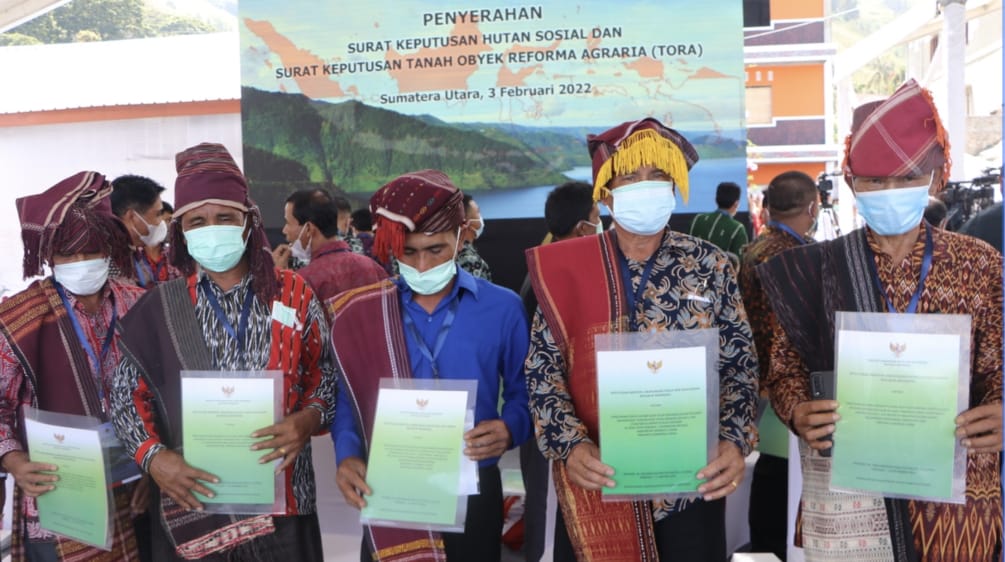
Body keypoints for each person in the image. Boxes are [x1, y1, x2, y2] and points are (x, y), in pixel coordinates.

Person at [758, 79, 1002, 561]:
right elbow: (783, 368)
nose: (889, 190)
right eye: (874, 180)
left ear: (934, 179)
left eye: (905, 177)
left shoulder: (981, 263)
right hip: (850, 500)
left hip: (956, 502)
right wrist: (797, 411)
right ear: (851, 183)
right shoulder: (812, 269)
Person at [524, 118, 758, 561]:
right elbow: (542, 370)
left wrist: (733, 438)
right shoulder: (568, 270)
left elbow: (739, 367)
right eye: (630, 176)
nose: (646, 187)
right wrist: (570, 444)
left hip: (691, 486)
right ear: (606, 192)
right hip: (597, 483)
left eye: (659, 176)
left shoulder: (709, 264)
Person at [110, 143, 336, 561]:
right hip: (195, 503)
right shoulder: (161, 307)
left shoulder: (294, 292)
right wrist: (155, 460)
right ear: (181, 230)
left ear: (248, 221)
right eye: (197, 221)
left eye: (224, 218)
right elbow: (126, 397)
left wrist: (309, 418)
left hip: (284, 503)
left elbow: (324, 374)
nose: (211, 228)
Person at [329, 170, 531, 561]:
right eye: (408, 252)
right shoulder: (367, 312)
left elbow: (527, 391)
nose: (422, 265)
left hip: (472, 484)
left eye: (436, 249)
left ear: (461, 235)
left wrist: (510, 427)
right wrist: (347, 454)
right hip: (390, 483)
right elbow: (347, 398)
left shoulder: (502, 307)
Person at [0, 171, 146, 560]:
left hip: (137, 489)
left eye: (92, 251)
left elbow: (163, 390)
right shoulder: (18, 318)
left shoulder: (138, 303)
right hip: (57, 498)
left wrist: (156, 463)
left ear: (111, 249)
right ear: (48, 256)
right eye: (68, 253)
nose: (81, 262)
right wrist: (14, 461)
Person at [515, 180, 600, 561]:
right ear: (584, 227)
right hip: (553, 419)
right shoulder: (549, 275)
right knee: (549, 517)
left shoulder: (549, 266)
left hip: (576, 420)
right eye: (599, 219)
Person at [738, 170, 820, 561]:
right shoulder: (805, 257)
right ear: (813, 206)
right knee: (784, 481)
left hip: (757, 382)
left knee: (769, 486)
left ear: (767, 206)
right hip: (790, 390)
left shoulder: (753, 248)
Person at [271, 189, 387, 304]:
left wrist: (278, 278)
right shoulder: (374, 268)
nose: (284, 230)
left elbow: (283, 319)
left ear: (308, 229)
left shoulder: (305, 281)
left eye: (288, 223)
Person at [111, 174, 182, 288]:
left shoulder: (131, 253)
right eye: (158, 214)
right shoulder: (108, 261)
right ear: (132, 217)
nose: (161, 222)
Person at [688, 181, 750, 263]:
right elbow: (741, 262)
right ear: (736, 203)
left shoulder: (698, 219)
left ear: (716, 199)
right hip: (721, 275)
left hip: (691, 274)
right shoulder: (737, 228)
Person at [456, 194, 493, 281]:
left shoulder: (453, 251)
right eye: (478, 212)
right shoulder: (470, 261)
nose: (481, 218)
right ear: (466, 223)